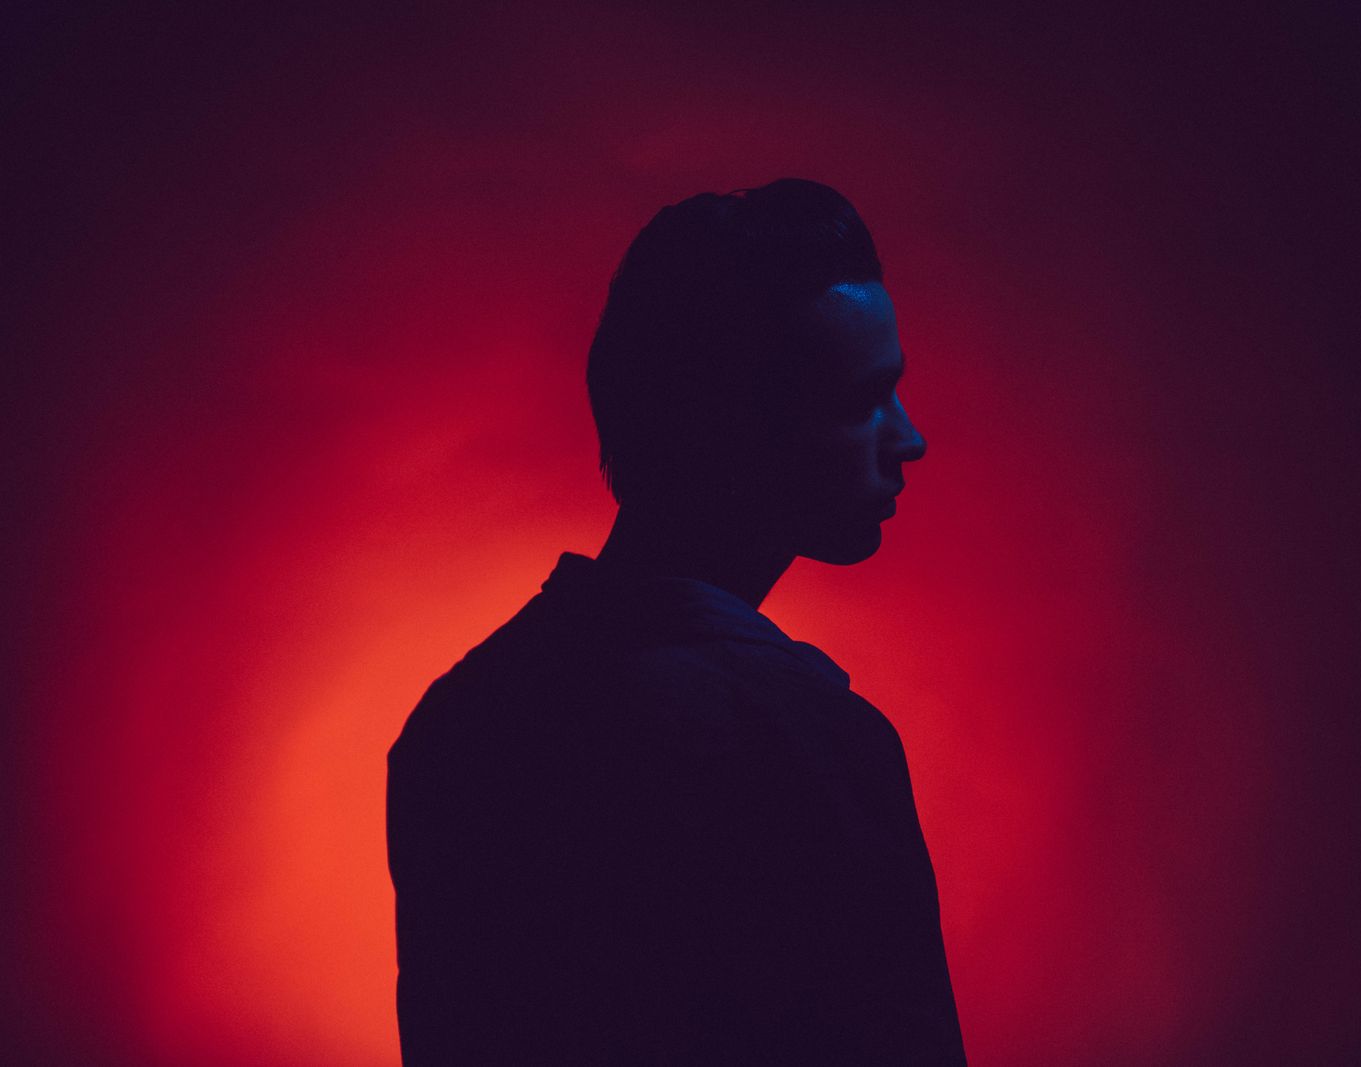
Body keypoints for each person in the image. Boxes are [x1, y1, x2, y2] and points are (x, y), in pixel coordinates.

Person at [386, 178, 965, 1064]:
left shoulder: (454, 723)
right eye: (862, 400)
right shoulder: (812, 744)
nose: (909, 437)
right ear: (732, 426)